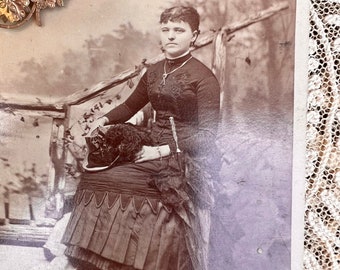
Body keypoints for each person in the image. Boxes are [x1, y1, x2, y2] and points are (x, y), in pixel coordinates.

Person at [61, 5, 221, 270]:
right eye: (166, 30)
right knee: (95, 175)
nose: (170, 36)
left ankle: (139, 263)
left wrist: (160, 152)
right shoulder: (155, 71)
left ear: (194, 36)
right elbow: (128, 106)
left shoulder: (204, 78)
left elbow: (208, 136)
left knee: (121, 178)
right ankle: (102, 260)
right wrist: (103, 119)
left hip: (185, 156)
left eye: (179, 30)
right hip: (151, 147)